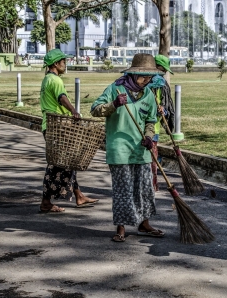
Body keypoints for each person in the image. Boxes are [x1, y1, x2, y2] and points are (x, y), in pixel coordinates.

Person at [90, 53, 166, 242]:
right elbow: (95, 109)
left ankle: (144, 223)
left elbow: (150, 120)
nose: (146, 81)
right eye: (142, 77)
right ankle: (121, 228)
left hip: (141, 151)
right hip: (120, 150)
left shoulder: (148, 94)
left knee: (145, 189)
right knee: (123, 191)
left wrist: (149, 137)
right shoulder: (115, 89)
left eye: (149, 78)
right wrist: (113, 105)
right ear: (132, 75)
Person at [39, 49, 98, 213]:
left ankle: (79, 196)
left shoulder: (46, 79)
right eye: (63, 62)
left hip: (50, 126)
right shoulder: (55, 80)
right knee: (57, 166)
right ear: (56, 64)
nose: (65, 64)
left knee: (68, 162)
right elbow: (62, 98)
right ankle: (46, 201)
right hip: (58, 127)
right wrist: (73, 111)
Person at [147, 54, 175, 191]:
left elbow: (167, 107)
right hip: (140, 127)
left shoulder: (161, 85)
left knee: (153, 156)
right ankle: (148, 183)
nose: (163, 72)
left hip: (154, 127)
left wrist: (163, 110)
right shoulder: (143, 83)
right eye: (162, 69)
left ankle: (153, 183)